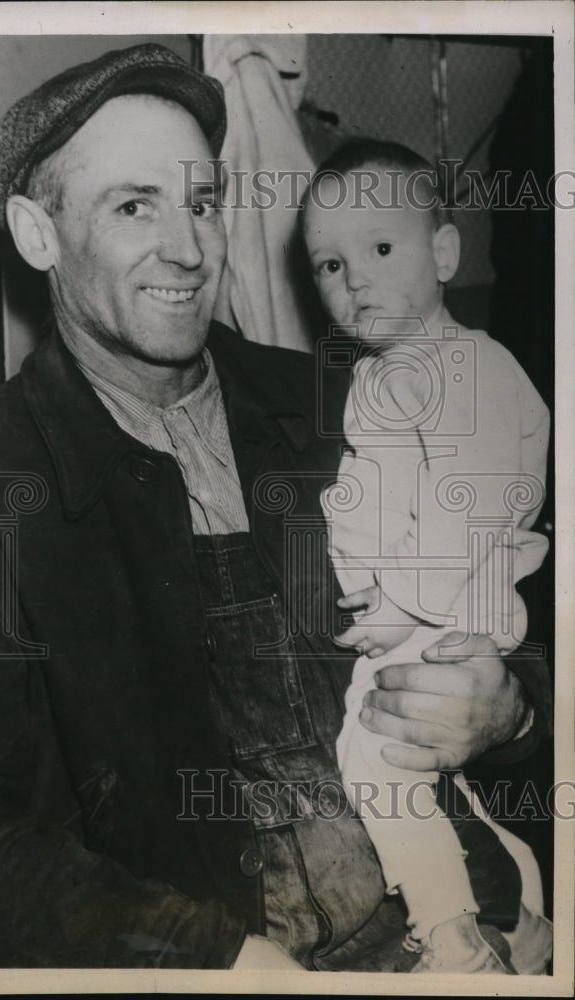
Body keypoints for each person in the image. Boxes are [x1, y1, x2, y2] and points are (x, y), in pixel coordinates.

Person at [0, 44, 551, 972]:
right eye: (135, 205)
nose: (190, 249)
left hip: (475, 931)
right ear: (37, 233)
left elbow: (525, 603)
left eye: (203, 203)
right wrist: (217, 962)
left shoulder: (344, 397)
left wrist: (514, 716)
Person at [303, 138, 553, 972]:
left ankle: (452, 935)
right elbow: (375, 489)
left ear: (444, 252)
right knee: (408, 765)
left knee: (372, 758)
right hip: (418, 605)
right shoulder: (383, 373)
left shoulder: (469, 369)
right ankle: (508, 887)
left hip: (452, 608)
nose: (355, 279)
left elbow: (468, 508)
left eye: (380, 249)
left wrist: (401, 603)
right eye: (330, 264)